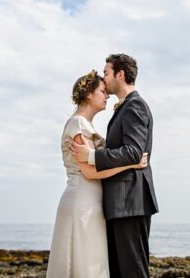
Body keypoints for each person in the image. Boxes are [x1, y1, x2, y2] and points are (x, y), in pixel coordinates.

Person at [46, 70, 148, 278]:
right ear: (88, 95)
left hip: (92, 202)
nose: (107, 95)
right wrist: (131, 164)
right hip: (82, 200)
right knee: (82, 262)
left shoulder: (85, 125)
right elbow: (90, 172)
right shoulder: (77, 124)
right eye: (102, 91)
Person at [70, 54, 158, 278]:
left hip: (130, 202)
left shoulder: (134, 105)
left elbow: (133, 152)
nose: (104, 77)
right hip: (122, 204)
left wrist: (92, 156)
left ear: (120, 74)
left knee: (133, 272)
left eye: (107, 72)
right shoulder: (125, 107)